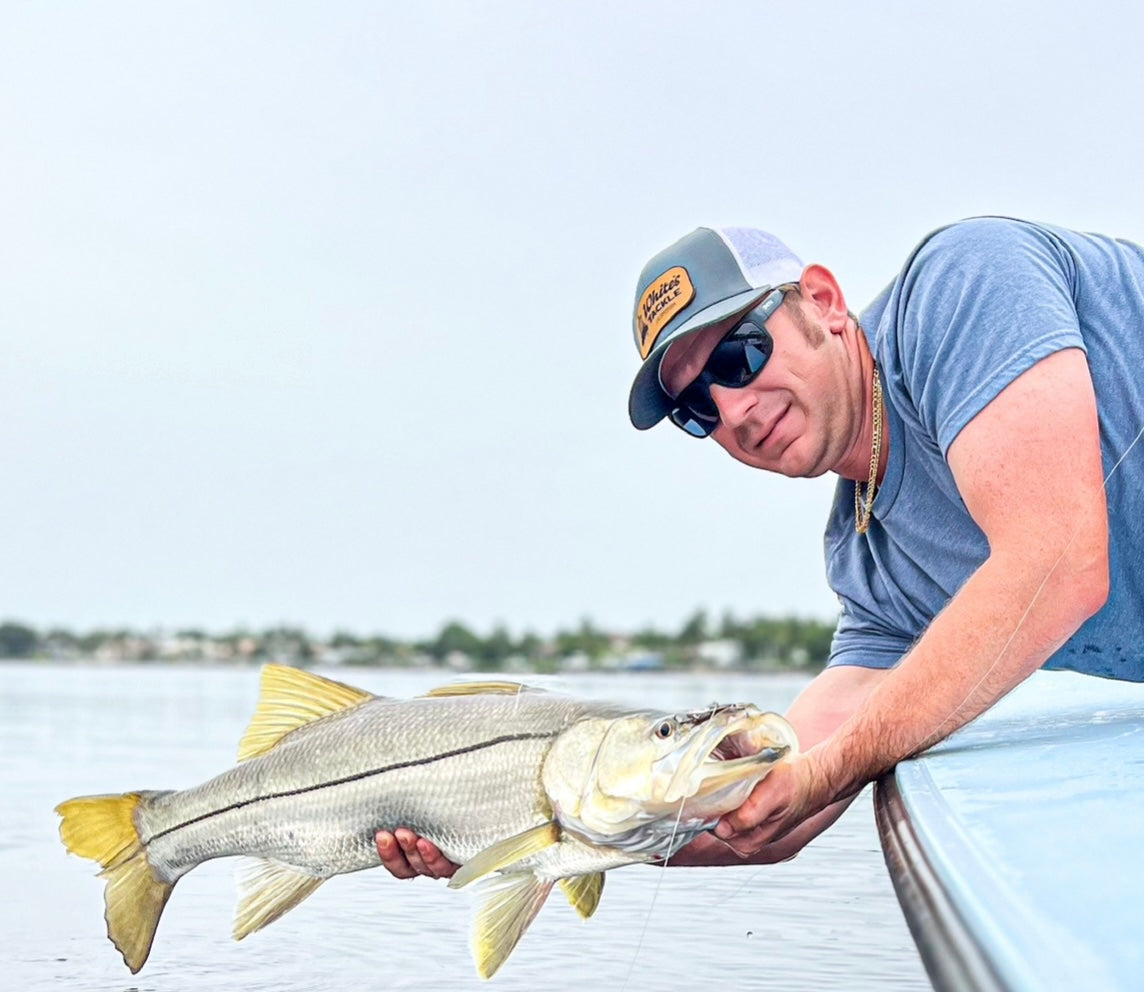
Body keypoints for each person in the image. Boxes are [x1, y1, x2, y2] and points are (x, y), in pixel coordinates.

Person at [377, 216, 1144, 880]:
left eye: (739, 355)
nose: (734, 410)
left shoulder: (962, 285)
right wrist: (530, 832)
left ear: (823, 301)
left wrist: (832, 770)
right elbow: (775, 805)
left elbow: (1058, 560)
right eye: (695, 409)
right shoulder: (869, 562)